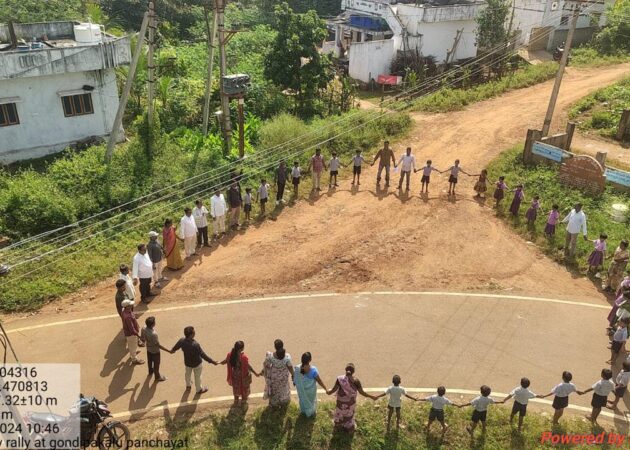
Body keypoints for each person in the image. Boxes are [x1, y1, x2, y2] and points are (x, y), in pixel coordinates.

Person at [327, 363, 377, 433]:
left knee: (339, 412)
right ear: (353, 372)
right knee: (349, 414)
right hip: (350, 403)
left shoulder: (340, 379)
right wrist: (372, 397)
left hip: (340, 403)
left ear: (345, 370)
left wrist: (329, 392)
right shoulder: (356, 381)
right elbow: (362, 392)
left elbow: (333, 390)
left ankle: (338, 424)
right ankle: (349, 426)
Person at [170, 326, 218, 395]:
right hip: (197, 364)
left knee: (187, 375)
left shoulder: (182, 341)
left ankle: (188, 386)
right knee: (198, 377)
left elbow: (175, 348)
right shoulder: (195, 345)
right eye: (194, 332)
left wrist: (172, 350)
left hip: (187, 363)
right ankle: (199, 389)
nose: (195, 332)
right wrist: (212, 361)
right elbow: (203, 355)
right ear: (191, 335)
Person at [219, 341, 260, 407]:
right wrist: (255, 373)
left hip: (234, 375)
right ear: (242, 349)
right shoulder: (243, 357)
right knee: (243, 389)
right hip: (242, 377)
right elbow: (248, 366)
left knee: (236, 388)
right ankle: (243, 402)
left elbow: (225, 361)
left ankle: (236, 401)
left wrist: (218, 362)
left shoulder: (230, 355)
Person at [293, 352, 328, 418]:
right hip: (311, 392)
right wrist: (325, 388)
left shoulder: (297, 369)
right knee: (311, 401)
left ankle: (304, 411)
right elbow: (319, 380)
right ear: (310, 360)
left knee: (303, 400)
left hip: (303, 391)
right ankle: (311, 412)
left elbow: (295, 381)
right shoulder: (313, 370)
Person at [261, 339, 294, 407]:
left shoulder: (270, 356)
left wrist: (263, 373)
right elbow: (290, 367)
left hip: (274, 377)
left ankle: (274, 404)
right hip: (283, 377)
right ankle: (283, 402)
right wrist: (294, 375)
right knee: (283, 389)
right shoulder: (287, 357)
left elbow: (266, 365)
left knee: (275, 390)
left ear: (275, 347)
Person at [141, 316, 171, 382]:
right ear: (152, 324)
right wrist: (168, 351)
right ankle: (157, 377)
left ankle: (150, 371)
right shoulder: (153, 334)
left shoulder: (143, 328)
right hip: (155, 351)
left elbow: (142, 338)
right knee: (156, 364)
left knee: (149, 361)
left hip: (148, 349)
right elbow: (158, 345)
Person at [121, 300, 144, 365]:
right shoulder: (128, 317)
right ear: (127, 306)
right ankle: (134, 359)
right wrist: (138, 335)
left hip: (130, 333)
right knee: (132, 347)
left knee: (133, 345)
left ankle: (133, 353)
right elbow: (132, 329)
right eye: (130, 305)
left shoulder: (124, 310)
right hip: (131, 334)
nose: (132, 305)